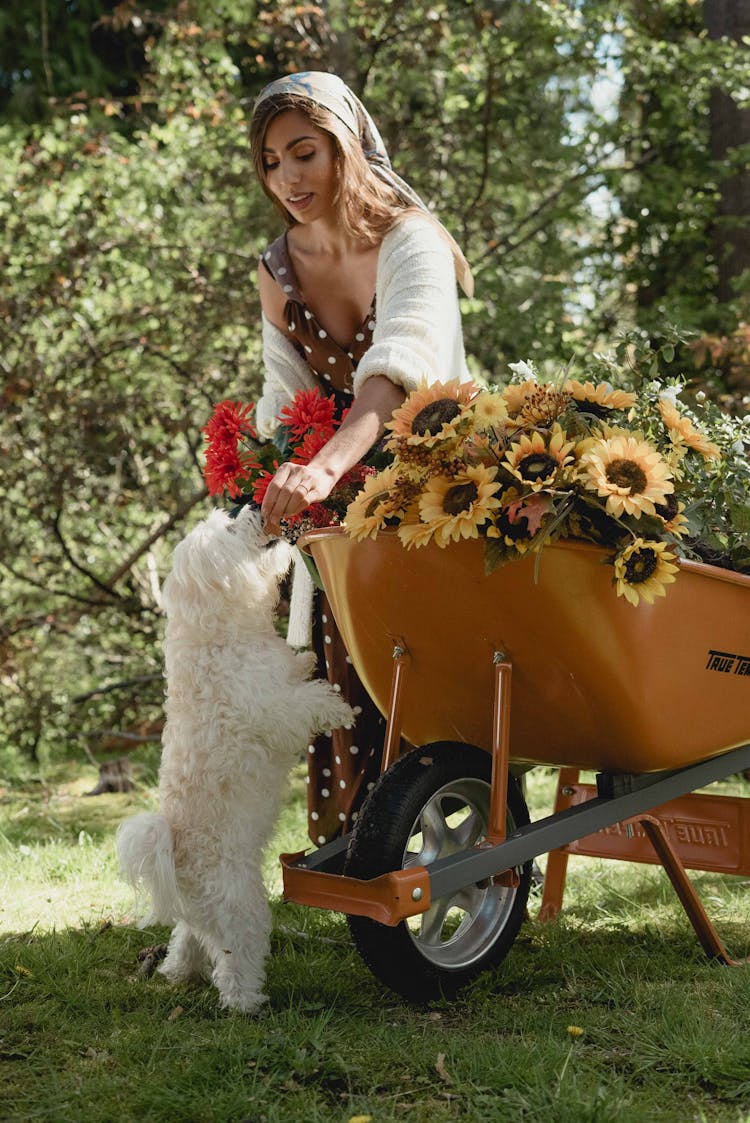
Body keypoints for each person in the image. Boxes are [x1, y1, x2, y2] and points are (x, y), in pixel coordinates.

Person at [249, 71, 472, 844]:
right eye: (273, 161)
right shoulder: (277, 270)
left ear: (344, 147)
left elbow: (398, 371)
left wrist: (322, 469)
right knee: (340, 647)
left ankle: (466, 831)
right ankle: (355, 839)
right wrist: (264, 480)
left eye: (304, 153)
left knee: (427, 654)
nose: (288, 178)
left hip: (440, 469)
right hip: (342, 480)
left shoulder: (411, 239)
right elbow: (285, 398)